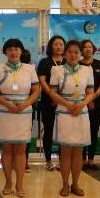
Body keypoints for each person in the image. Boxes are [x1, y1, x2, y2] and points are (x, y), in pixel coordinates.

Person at [0, 39, 40, 197]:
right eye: (10, 49)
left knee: (21, 150)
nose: (13, 52)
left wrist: (26, 104)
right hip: (5, 111)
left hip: (23, 112)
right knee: (7, 149)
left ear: (21, 51)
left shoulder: (29, 68)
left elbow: (36, 90)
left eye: (17, 49)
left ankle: (20, 184)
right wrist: (7, 104)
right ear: (5, 52)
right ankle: (8, 182)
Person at [48, 40, 95, 197]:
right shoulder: (57, 69)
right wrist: (68, 104)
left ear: (81, 54)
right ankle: (65, 184)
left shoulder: (87, 70)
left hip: (81, 112)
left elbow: (91, 93)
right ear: (65, 53)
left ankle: (75, 183)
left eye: (76, 52)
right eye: (70, 52)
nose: (73, 55)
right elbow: (52, 92)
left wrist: (82, 104)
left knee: (78, 151)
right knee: (66, 151)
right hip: (64, 111)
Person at [37, 35, 66, 171]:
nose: (59, 46)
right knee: (48, 130)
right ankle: (48, 161)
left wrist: (60, 98)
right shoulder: (45, 62)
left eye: (61, 44)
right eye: (56, 44)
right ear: (51, 46)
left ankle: (62, 161)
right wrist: (53, 96)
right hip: (48, 101)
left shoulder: (68, 61)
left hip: (66, 102)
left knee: (64, 132)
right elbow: (42, 81)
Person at [79, 39, 100, 169]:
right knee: (83, 131)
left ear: (93, 49)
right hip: (82, 102)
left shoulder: (98, 63)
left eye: (90, 47)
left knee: (94, 131)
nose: (88, 49)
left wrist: (96, 95)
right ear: (81, 50)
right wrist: (88, 99)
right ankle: (83, 160)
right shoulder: (78, 65)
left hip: (97, 101)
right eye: (85, 47)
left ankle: (91, 160)